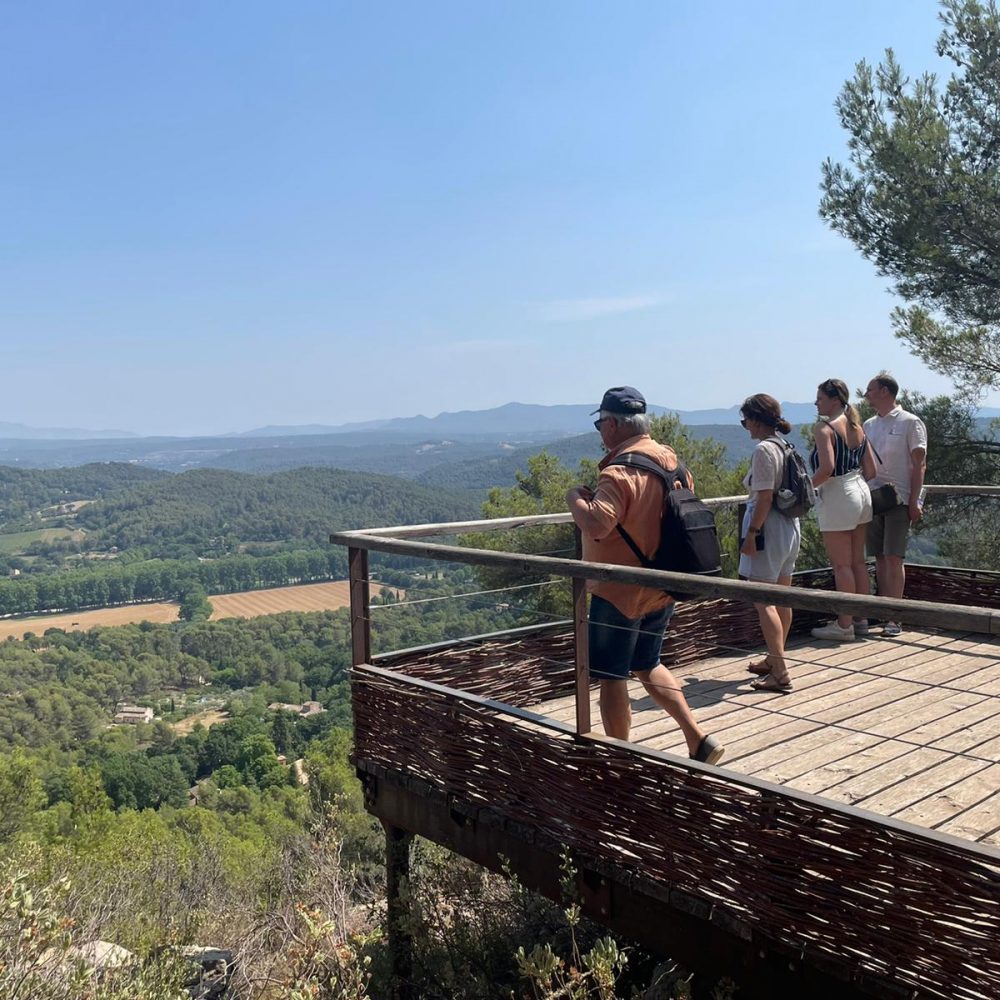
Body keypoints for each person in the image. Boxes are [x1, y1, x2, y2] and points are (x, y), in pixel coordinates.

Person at [565, 386, 724, 764]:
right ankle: (697, 738)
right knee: (647, 664)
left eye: (601, 422)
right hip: (660, 585)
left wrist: (574, 496)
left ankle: (619, 755)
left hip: (618, 591)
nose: (600, 430)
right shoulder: (673, 464)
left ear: (617, 424)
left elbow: (597, 524)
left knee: (612, 676)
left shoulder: (619, 472)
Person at [737, 395, 801, 692]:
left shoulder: (764, 450)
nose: (745, 426)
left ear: (755, 419)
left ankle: (780, 671)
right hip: (790, 526)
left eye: (745, 420)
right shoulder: (785, 445)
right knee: (781, 597)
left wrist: (751, 534)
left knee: (764, 601)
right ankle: (775, 658)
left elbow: (764, 498)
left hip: (769, 529)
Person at [808, 378, 878, 642]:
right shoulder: (857, 427)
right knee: (858, 562)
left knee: (841, 565)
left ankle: (844, 624)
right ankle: (861, 620)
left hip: (839, 494)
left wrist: (806, 487)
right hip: (861, 490)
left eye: (820, 398)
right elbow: (872, 471)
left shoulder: (824, 429)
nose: (816, 403)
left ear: (835, 400)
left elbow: (826, 468)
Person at [862, 372, 928, 637]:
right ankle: (883, 610)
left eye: (870, 389)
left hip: (899, 498)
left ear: (885, 392)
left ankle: (895, 617)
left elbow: (919, 464)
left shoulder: (910, 422)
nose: (866, 394)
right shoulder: (868, 424)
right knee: (878, 555)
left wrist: (915, 500)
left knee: (893, 556)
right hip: (873, 497)